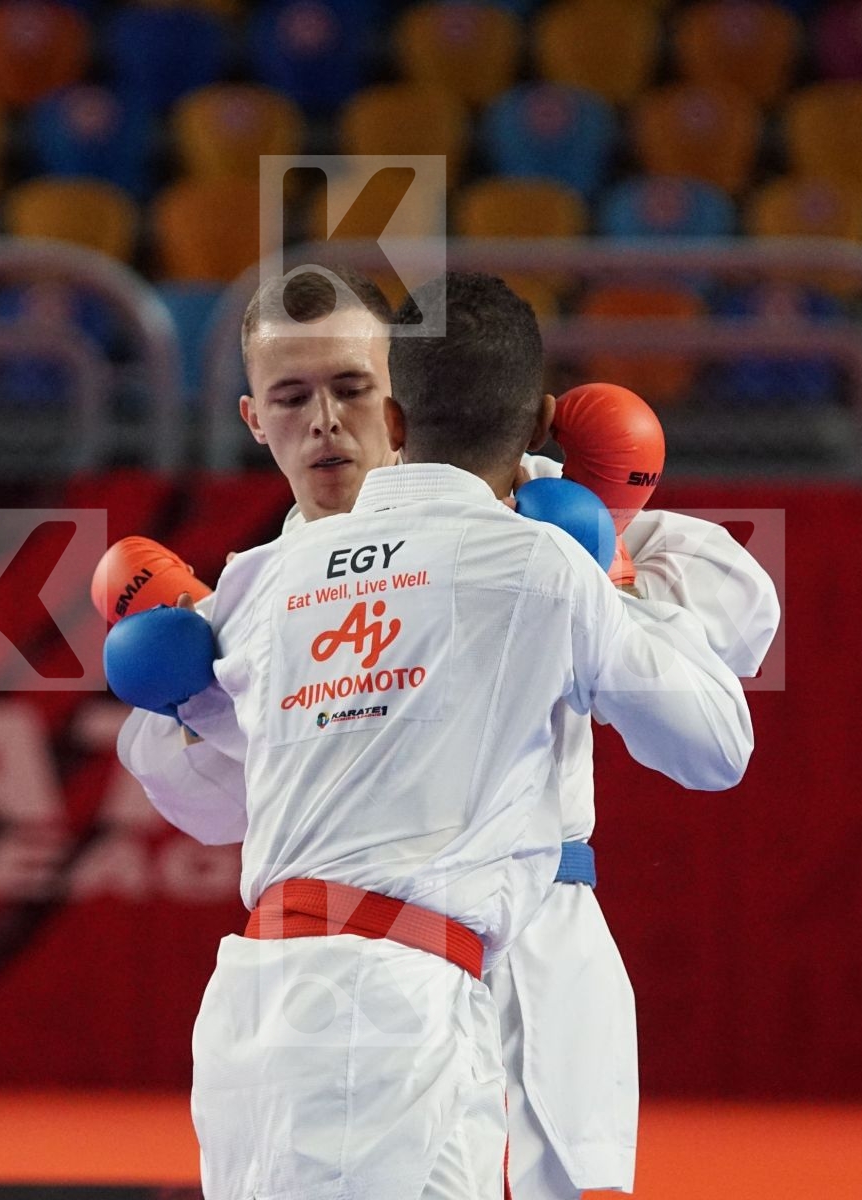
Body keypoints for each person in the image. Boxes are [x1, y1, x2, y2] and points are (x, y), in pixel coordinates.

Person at [108, 265, 779, 1198]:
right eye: (291, 397)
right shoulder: (259, 585)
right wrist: (188, 703)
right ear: (254, 418)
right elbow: (207, 804)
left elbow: (746, 609)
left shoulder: (538, 509)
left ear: (397, 400)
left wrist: (611, 552)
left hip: (537, 926)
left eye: (349, 388)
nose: (326, 422)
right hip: (368, 949)